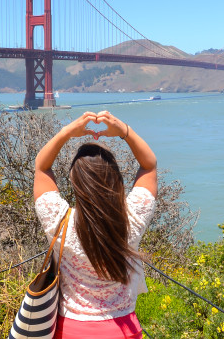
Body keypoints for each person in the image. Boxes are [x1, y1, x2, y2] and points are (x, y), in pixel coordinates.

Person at [34, 110, 157, 339]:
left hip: (70, 330)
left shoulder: (60, 221)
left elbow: (41, 167)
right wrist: (124, 132)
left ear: (74, 182)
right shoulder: (132, 219)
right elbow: (149, 165)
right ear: (117, 180)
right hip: (123, 330)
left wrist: (66, 133)